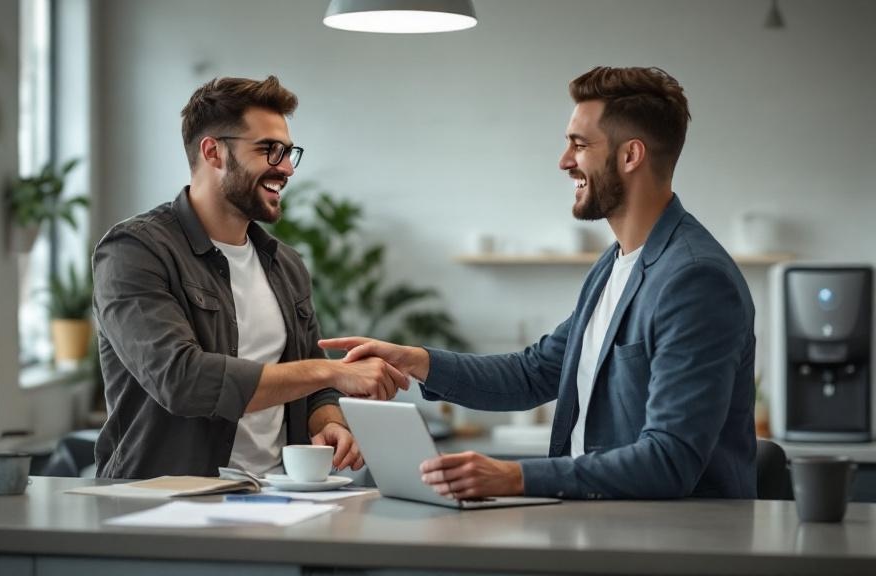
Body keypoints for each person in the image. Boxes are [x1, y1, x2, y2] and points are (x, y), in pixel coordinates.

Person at [321, 66, 757, 500]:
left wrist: (516, 477)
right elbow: (533, 373)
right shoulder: (613, 265)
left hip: (672, 546)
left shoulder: (695, 279)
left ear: (630, 156)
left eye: (579, 144)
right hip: (604, 528)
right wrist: (415, 360)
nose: (565, 161)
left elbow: (669, 460)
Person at [92, 76, 408, 480]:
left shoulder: (285, 264)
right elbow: (182, 380)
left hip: (276, 499)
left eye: (290, 152)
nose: (287, 168)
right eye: (269, 151)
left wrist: (327, 421)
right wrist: (332, 371)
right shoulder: (134, 251)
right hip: (161, 508)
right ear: (213, 152)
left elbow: (309, 378)